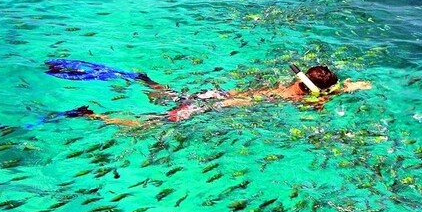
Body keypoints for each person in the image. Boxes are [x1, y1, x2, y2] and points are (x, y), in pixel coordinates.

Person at [69, 64, 371, 127]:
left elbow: (317, 91)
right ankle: (94, 116)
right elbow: (320, 103)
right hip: (213, 106)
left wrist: (343, 86)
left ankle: (143, 79)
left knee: (172, 94)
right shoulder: (298, 98)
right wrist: (347, 89)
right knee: (151, 125)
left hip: (215, 93)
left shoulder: (287, 85)